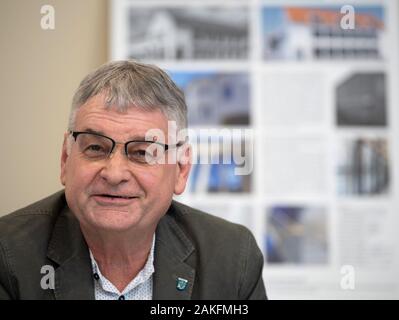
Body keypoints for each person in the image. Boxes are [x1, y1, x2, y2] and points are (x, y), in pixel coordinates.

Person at [0, 60, 266, 300]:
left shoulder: (233, 259)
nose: (114, 174)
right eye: (95, 148)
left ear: (181, 169)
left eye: (142, 152)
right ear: (65, 159)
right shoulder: (8, 254)